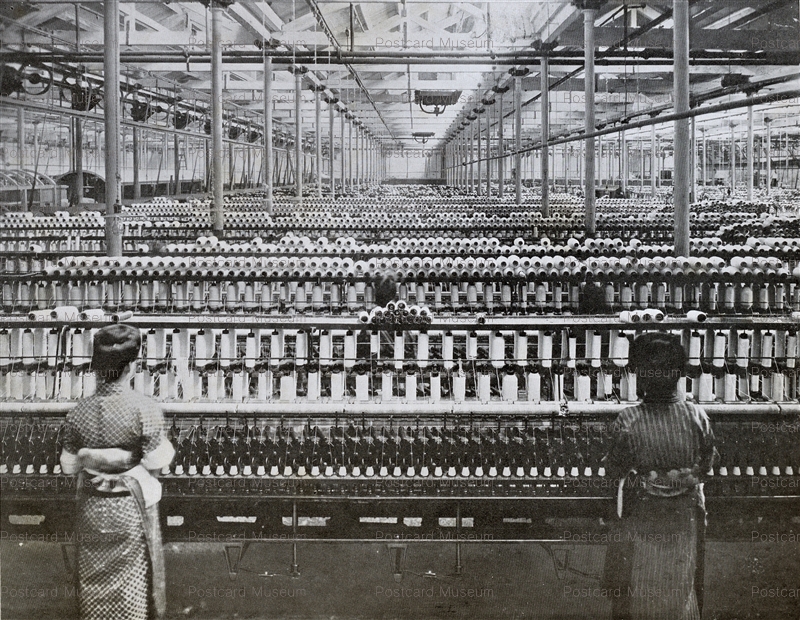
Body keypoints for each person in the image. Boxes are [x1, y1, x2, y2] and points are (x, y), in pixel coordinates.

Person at [60, 324, 175, 620]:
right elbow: (156, 461)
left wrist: (91, 457)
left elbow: (68, 465)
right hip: (130, 511)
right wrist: (127, 459)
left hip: (92, 509)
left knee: (93, 578)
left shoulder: (78, 412)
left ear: (96, 367)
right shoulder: (144, 409)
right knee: (132, 582)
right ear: (131, 367)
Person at [602, 333, 718, 620]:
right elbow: (708, 465)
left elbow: (614, 469)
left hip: (644, 516)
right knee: (682, 587)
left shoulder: (628, 419)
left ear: (639, 376)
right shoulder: (696, 416)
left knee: (639, 586)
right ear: (678, 376)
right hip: (684, 518)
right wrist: (682, 479)